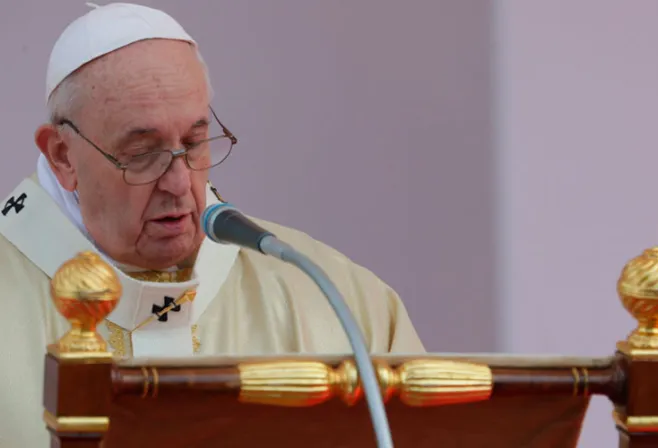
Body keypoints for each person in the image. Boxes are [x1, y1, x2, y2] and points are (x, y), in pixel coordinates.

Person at [0, 3, 424, 446]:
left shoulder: (340, 303)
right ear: (62, 156)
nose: (180, 182)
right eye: (143, 152)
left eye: (195, 143)